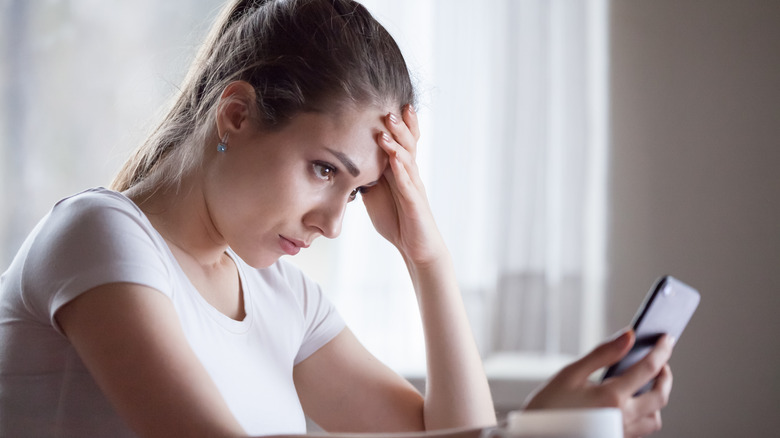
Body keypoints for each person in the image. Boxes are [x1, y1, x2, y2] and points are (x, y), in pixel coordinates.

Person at [0, 0, 674, 437]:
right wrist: (530, 432)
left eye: (355, 192)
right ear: (235, 114)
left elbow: (443, 432)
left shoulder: (281, 298)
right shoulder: (100, 234)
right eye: (325, 170)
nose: (331, 224)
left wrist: (426, 257)